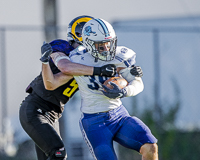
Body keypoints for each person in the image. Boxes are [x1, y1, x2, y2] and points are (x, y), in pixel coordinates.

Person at [41, 18, 158, 160]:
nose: (107, 49)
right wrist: (46, 62)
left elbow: (137, 83)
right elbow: (52, 83)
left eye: (109, 43)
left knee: (150, 146)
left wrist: (124, 91)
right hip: (94, 122)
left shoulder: (120, 56)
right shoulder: (77, 60)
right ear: (89, 44)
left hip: (119, 115)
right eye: (101, 45)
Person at [19, 15, 117, 160]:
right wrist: (97, 70)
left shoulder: (87, 64)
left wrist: (126, 78)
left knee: (53, 157)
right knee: (58, 153)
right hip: (36, 109)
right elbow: (64, 69)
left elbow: (61, 80)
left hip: (53, 114)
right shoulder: (63, 47)